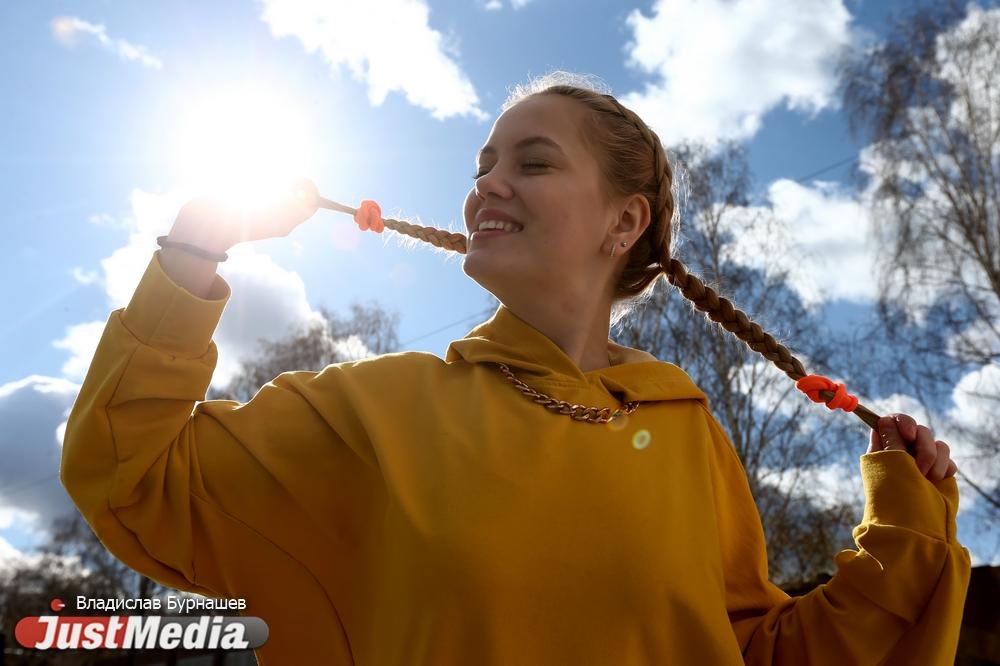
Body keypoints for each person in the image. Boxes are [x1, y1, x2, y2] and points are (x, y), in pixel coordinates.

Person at [61, 71, 970, 665]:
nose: (487, 183)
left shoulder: (686, 428)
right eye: (485, 162)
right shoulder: (370, 413)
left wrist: (907, 525)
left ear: (626, 223)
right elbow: (133, 473)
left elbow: (756, 652)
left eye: (532, 163)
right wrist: (194, 250)